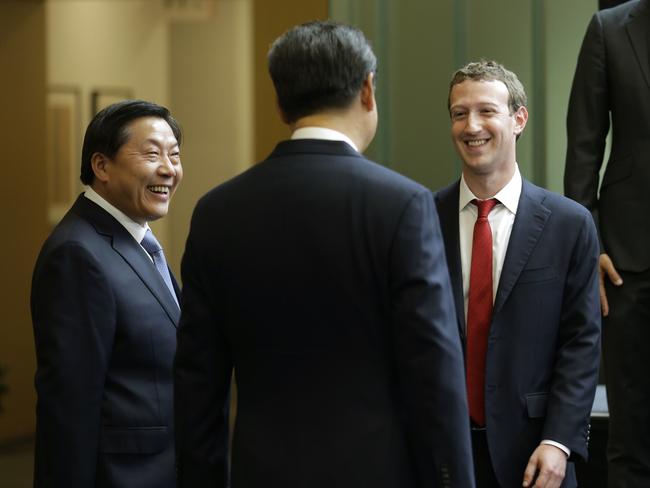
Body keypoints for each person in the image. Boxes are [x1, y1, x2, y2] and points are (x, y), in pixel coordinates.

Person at [174, 20, 474, 488]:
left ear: (280, 102)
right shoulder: (402, 205)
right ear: (368, 91)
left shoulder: (217, 212)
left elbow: (198, 384)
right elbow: (433, 370)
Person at [434, 60, 601, 488]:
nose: (472, 125)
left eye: (487, 111)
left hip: (536, 456)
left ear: (518, 119)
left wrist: (560, 441)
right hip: (442, 454)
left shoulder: (570, 224)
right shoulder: (421, 219)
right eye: (459, 113)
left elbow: (581, 343)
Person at [31, 99, 183, 488]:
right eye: (152, 154)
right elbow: (69, 406)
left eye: (174, 155)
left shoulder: (138, 240)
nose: (168, 169)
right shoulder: (77, 253)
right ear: (101, 166)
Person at [565, 1, 650, 485]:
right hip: (628, 257)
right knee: (631, 430)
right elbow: (583, 145)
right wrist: (587, 244)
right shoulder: (610, 27)